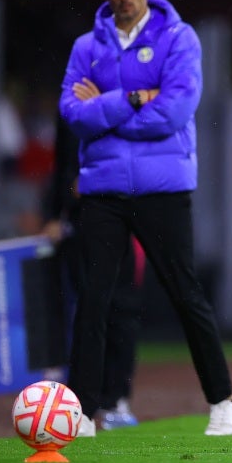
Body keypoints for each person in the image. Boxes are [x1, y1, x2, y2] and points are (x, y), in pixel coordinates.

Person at [60, 0, 232, 437]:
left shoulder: (179, 39)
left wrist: (109, 109)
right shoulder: (85, 47)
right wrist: (138, 97)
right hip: (103, 189)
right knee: (93, 301)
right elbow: (74, 117)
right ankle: (80, 411)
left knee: (186, 294)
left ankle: (223, 399)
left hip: (162, 188)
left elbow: (176, 112)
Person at [40, 111, 144, 432]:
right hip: (80, 223)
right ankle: (83, 400)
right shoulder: (71, 107)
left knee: (119, 309)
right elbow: (62, 169)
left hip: (122, 218)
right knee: (84, 306)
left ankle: (114, 399)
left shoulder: (130, 105)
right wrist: (56, 212)